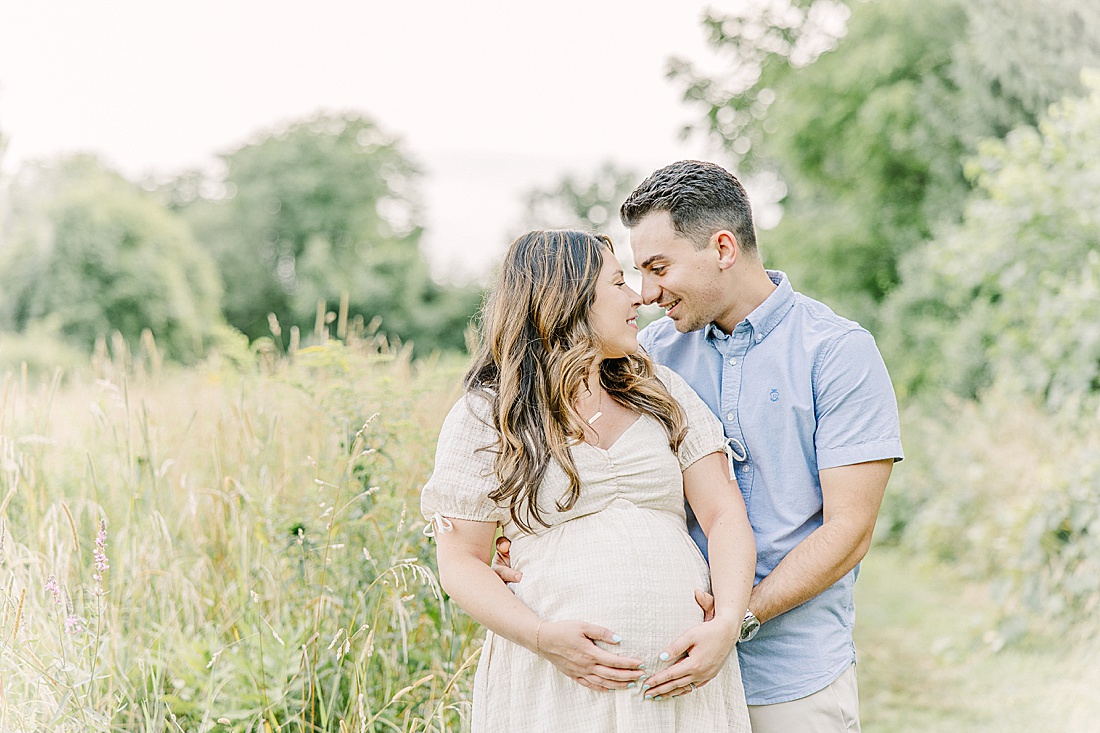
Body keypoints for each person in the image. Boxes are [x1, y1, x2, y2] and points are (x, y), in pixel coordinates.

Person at [421, 229, 756, 732]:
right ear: (566, 298)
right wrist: (541, 636)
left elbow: (724, 512)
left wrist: (727, 622)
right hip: (555, 685)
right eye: (619, 282)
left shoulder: (661, 391)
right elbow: (460, 561)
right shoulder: (489, 415)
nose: (639, 296)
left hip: (682, 685)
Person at [619, 160, 904, 733]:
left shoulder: (837, 352)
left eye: (658, 267)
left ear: (723, 247)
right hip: (670, 669)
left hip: (793, 677)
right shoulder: (646, 357)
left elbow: (848, 532)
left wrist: (735, 619)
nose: (647, 293)